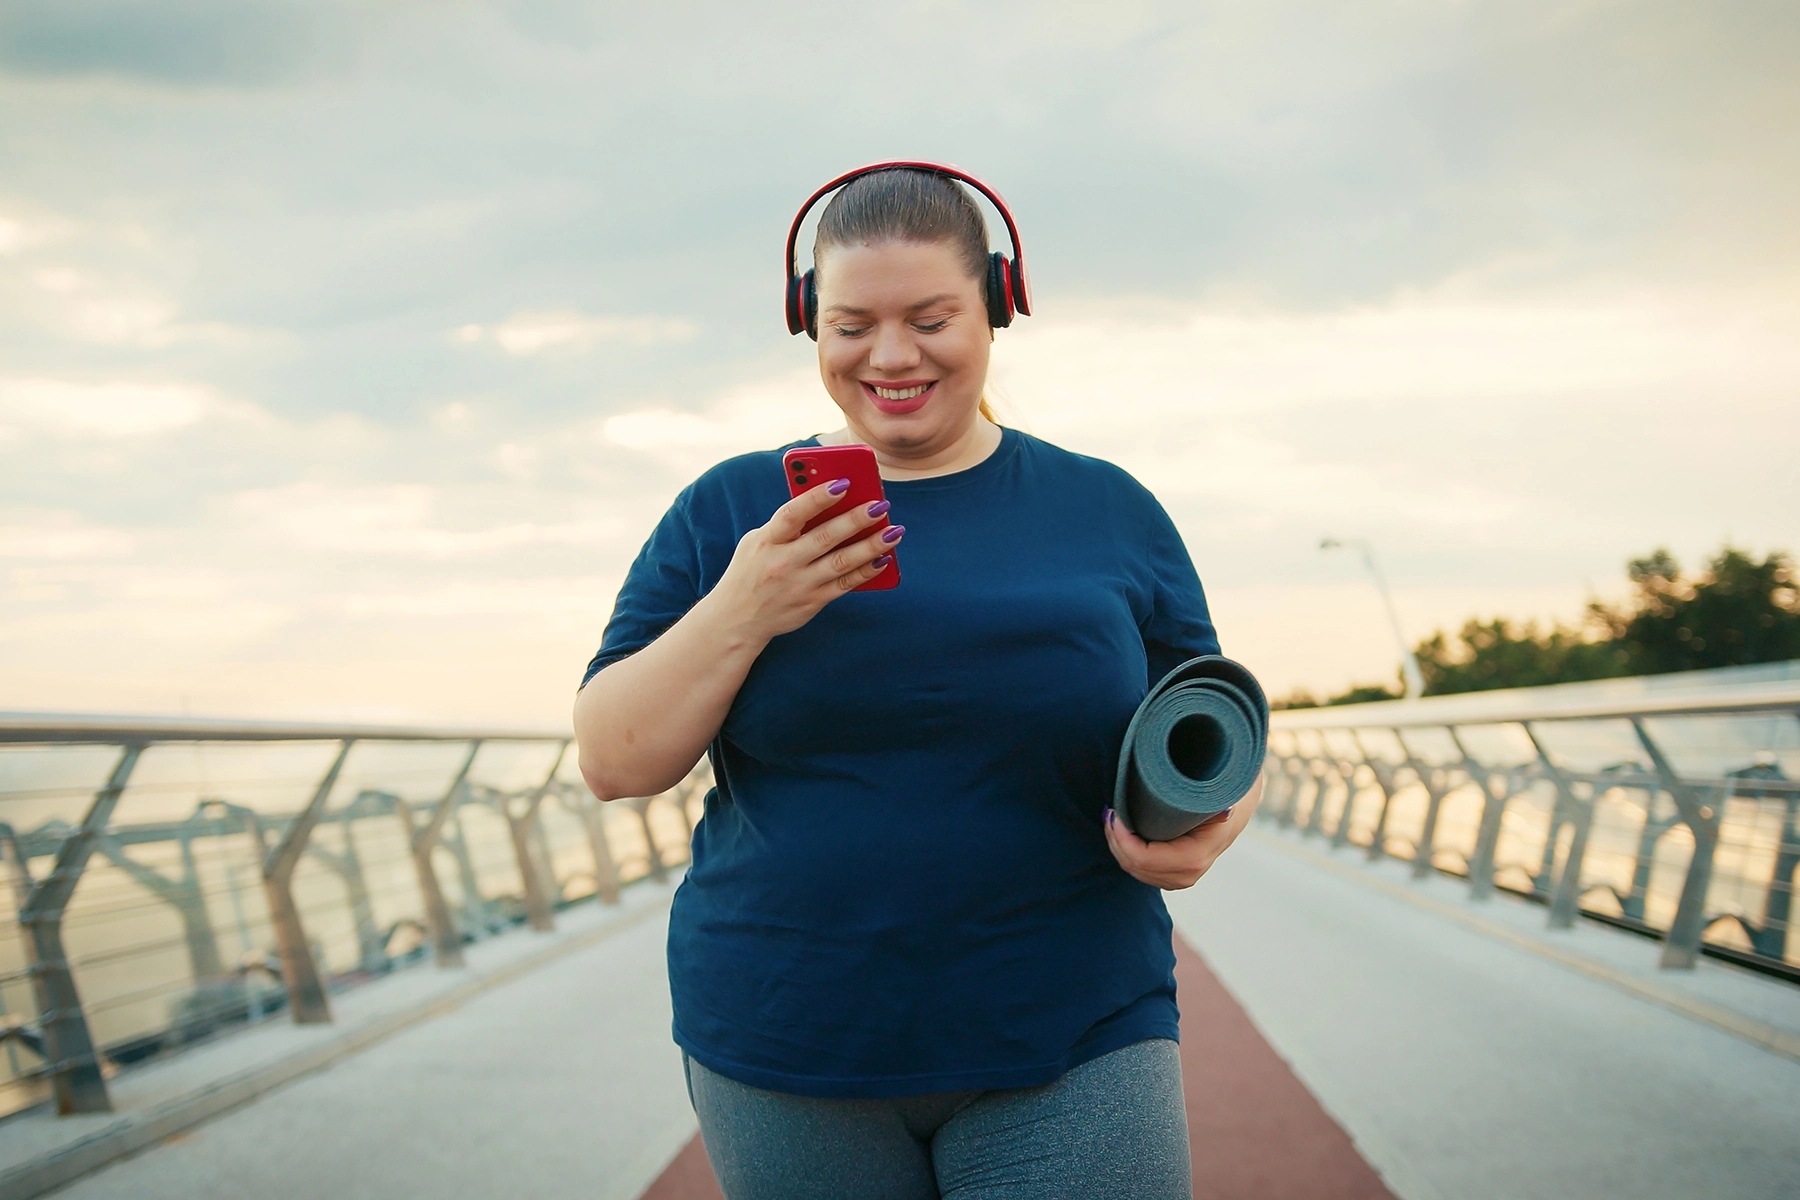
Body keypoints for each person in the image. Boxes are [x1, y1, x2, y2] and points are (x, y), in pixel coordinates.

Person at [573, 164, 1261, 1200]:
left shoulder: (1108, 509)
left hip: (1074, 1026)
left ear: (998, 302)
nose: (891, 357)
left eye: (930, 317)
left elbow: (1214, 727)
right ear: (809, 320)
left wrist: (1219, 819)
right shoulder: (729, 514)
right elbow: (615, 761)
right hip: (788, 1041)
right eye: (852, 325)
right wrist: (745, 605)